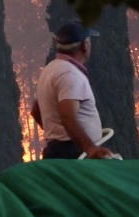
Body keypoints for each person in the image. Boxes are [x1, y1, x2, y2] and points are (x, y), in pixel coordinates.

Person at [31, 21, 113, 159]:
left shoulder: (51, 69)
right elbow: (68, 116)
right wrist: (90, 148)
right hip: (73, 153)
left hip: (62, 149)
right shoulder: (70, 74)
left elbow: (35, 111)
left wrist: (56, 136)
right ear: (84, 45)